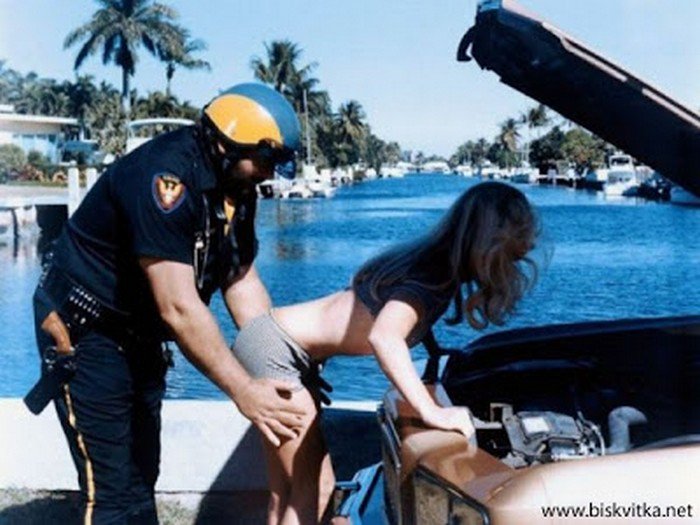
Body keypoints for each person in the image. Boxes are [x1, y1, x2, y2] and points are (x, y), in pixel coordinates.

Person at [26, 83, 307, 524]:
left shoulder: (237, 186)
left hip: (139, 334)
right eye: (267, 159)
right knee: (113, 492)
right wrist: (243, 390)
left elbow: (240, 280)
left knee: (142, 477)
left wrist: (278, 361)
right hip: (86, 332)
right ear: (227, 143)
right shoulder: (164, 178)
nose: (270, 173)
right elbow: (178, 307)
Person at [231, 181, 540, 525]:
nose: (523, 256)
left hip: (269, 340)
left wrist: (436, 351)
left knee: (284, 489)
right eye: (516, 252)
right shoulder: (432, 276)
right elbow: (385, 337)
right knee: (315, 487)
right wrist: (431, 411)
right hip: (277, 352)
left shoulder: (432, 263)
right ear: (492, 240)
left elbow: (398, 320)